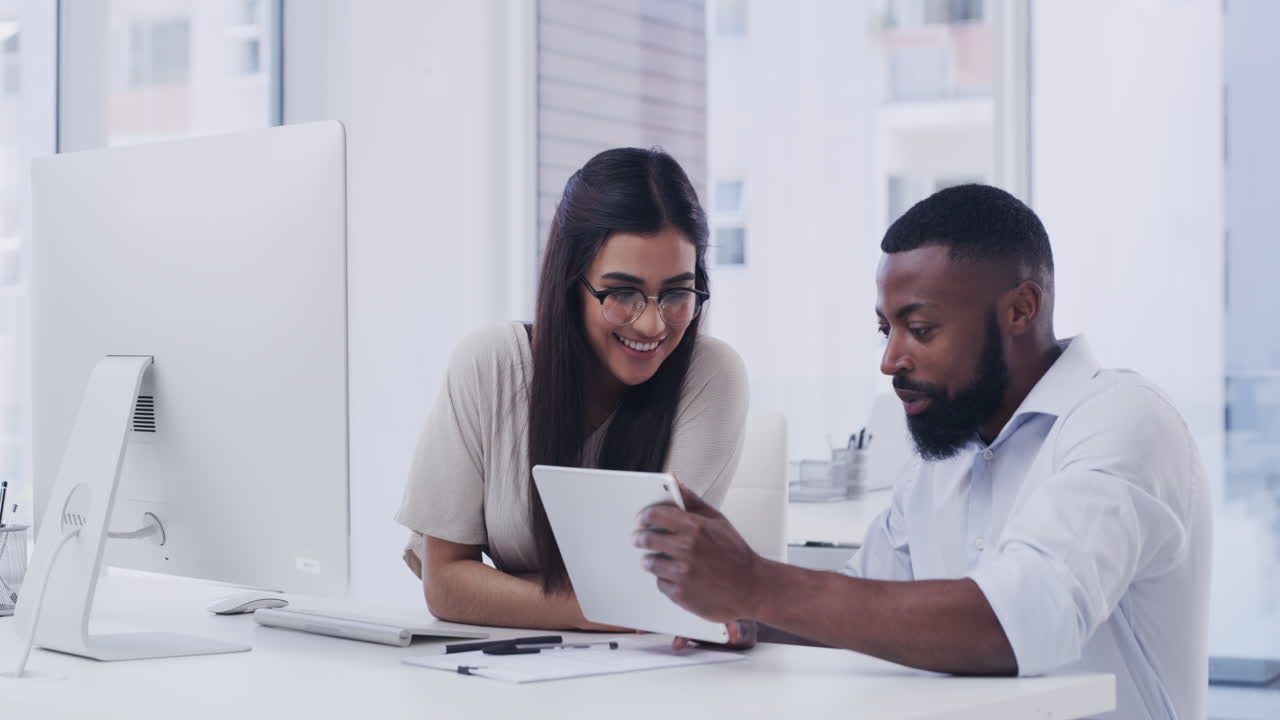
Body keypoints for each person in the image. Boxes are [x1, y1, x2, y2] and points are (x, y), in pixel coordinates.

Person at [635, 184, 1212, 718]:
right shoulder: (948, 450)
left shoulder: (1122, 419)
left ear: (1021, 309)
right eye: (886, 330)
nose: (891, 360)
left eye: (921, 329)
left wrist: (758, 582)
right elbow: (865, 608)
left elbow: (1025, 622)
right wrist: (746, 612)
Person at [396, 147, 748, 632]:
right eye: (621, 293)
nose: (651, 323)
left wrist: (508, 589)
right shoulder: (490, 364)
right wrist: (612, 604)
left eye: (676, 293)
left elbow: (651, 588)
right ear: (569, 283)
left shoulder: (711, 375)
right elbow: (446, 583)